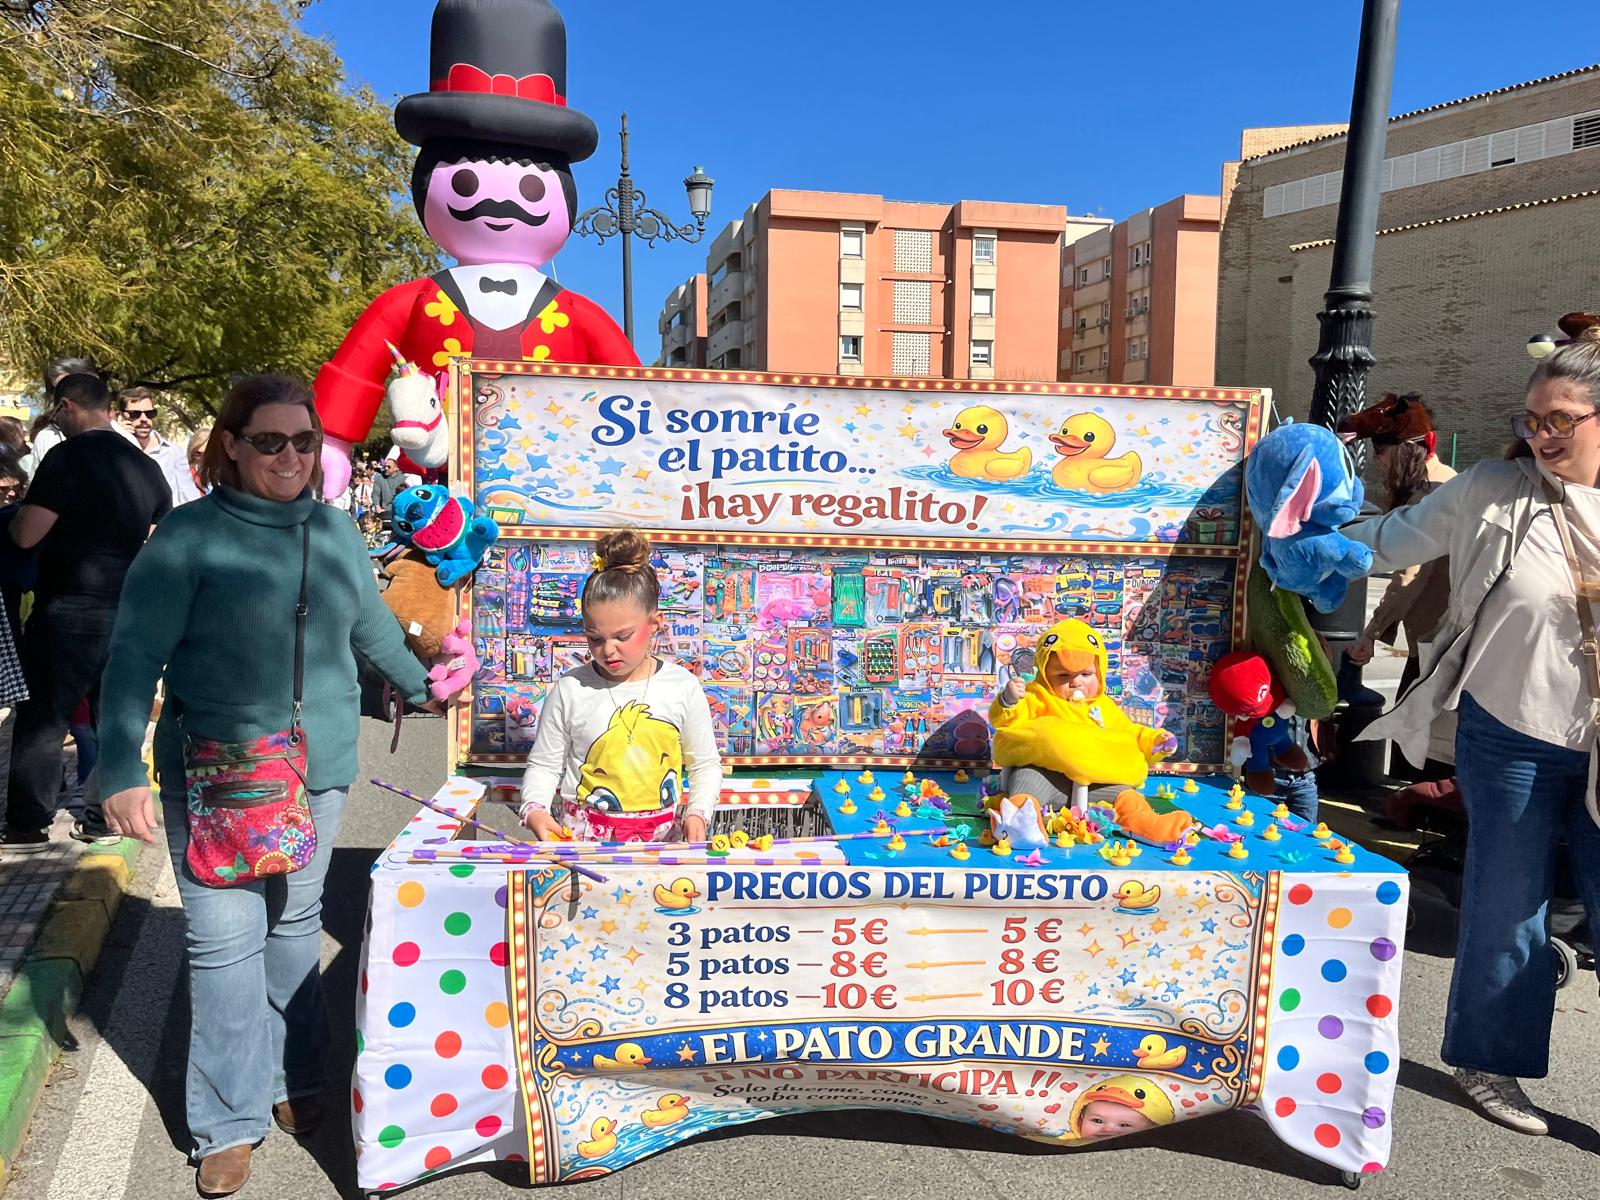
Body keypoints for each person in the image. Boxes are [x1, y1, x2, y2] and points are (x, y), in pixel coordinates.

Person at [97, 374, 445, 1198]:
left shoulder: (335, 531)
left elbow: (371, 628)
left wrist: (433, 690)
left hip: (318, 769)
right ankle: (227, 1121)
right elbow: (133, 657)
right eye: (268, 440)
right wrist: (118, 769)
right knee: (224, 946)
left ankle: (297, 1076)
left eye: (302, 441)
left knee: (292, 930)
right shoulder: (187, 537)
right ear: (231, 444)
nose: (289, 456)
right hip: (217, 774)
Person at [1333, 327, 1600, 1137]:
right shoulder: (1494, 490)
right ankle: (1488, 1061)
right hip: (1509, 736)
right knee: (1507, 905)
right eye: (1531, 420)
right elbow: (1390, 542)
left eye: (1560, 420)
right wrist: (1298, 538)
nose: (1541, 435)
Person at [1, 373, 170, 852]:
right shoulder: (146, 467)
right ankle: (102, 819)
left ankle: (27, 826)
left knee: (44, 719)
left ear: (68, 406)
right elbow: (159, 541)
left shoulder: (65, 459)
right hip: (128, 613)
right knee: (113, 720)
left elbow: (27, 534)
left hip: (67, 609)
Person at [520, 531, 720, 843]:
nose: (608, 649)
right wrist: (535, 809)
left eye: (622, 636)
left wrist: (697, 813)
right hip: (583, 847)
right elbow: (545, 765)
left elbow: (704, 764)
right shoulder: (570, 689)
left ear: (655, 623)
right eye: (595, 638)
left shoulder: (682, 686)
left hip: (662, 848)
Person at [1341, 393, 1458, 777]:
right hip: (1432, 638)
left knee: (1422, 737)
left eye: (1382, 451)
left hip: (1439, 640)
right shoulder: (1439, 483)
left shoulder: (1436, 491)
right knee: (1417, 731)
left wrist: (1371, 632)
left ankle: (1418, 802)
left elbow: (1409, 574)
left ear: (1407, 450)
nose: (1378, 460)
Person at [991, 617, 1178, 814]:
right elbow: (1009, 723)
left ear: (1100, 672)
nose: (1076, 682)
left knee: (1126, 795)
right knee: (1026, 778)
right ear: (1045, 675)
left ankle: (1146, 822)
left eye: (1086, 674)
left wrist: (1155, 740)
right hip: (1046, 777)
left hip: (1093, 785)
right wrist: (1009, 700)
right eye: (1063, 676)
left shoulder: (1103, 705)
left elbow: (1128, 732)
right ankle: (1020, 818)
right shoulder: (1037, 696)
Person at [119, 386, 202, 504]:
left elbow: (190, 496)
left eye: (150, 413)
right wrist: (117, 439)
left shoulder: (173, 452)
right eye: (135, 414)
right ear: (122, 416)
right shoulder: (114, 452)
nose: (144, 419)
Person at [24, 355, 96, 474]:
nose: (63, 398)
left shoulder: (118, 436)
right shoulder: (47, 437)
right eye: (57, 390)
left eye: (68, 387)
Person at [370, 455, 403, 534]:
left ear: (396, 468)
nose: (386, 468)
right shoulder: (379, 479)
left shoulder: (403, 479)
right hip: (384, 512)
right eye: (385, 466)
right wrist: (378, 508)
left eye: (389, 467)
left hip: (398, 512)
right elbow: (375, 494)